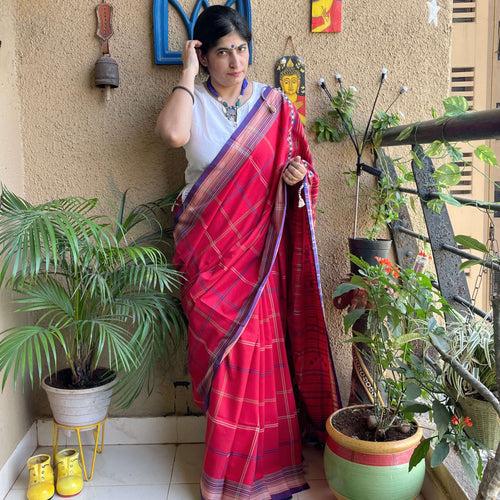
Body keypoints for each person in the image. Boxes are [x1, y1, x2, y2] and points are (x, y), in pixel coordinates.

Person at [156, 6, 341, 499]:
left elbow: (299, 168)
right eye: (222, 51)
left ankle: (267, 463)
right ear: (204, 54)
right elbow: (173, 135)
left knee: (255, 356)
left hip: (258, 257)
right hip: (207, 254)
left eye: (241, 49)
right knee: (224, 356)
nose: (235, 61)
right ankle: (225, 470)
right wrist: (186, 74)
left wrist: (295, 180)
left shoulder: (273, 106)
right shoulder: (191, 102)